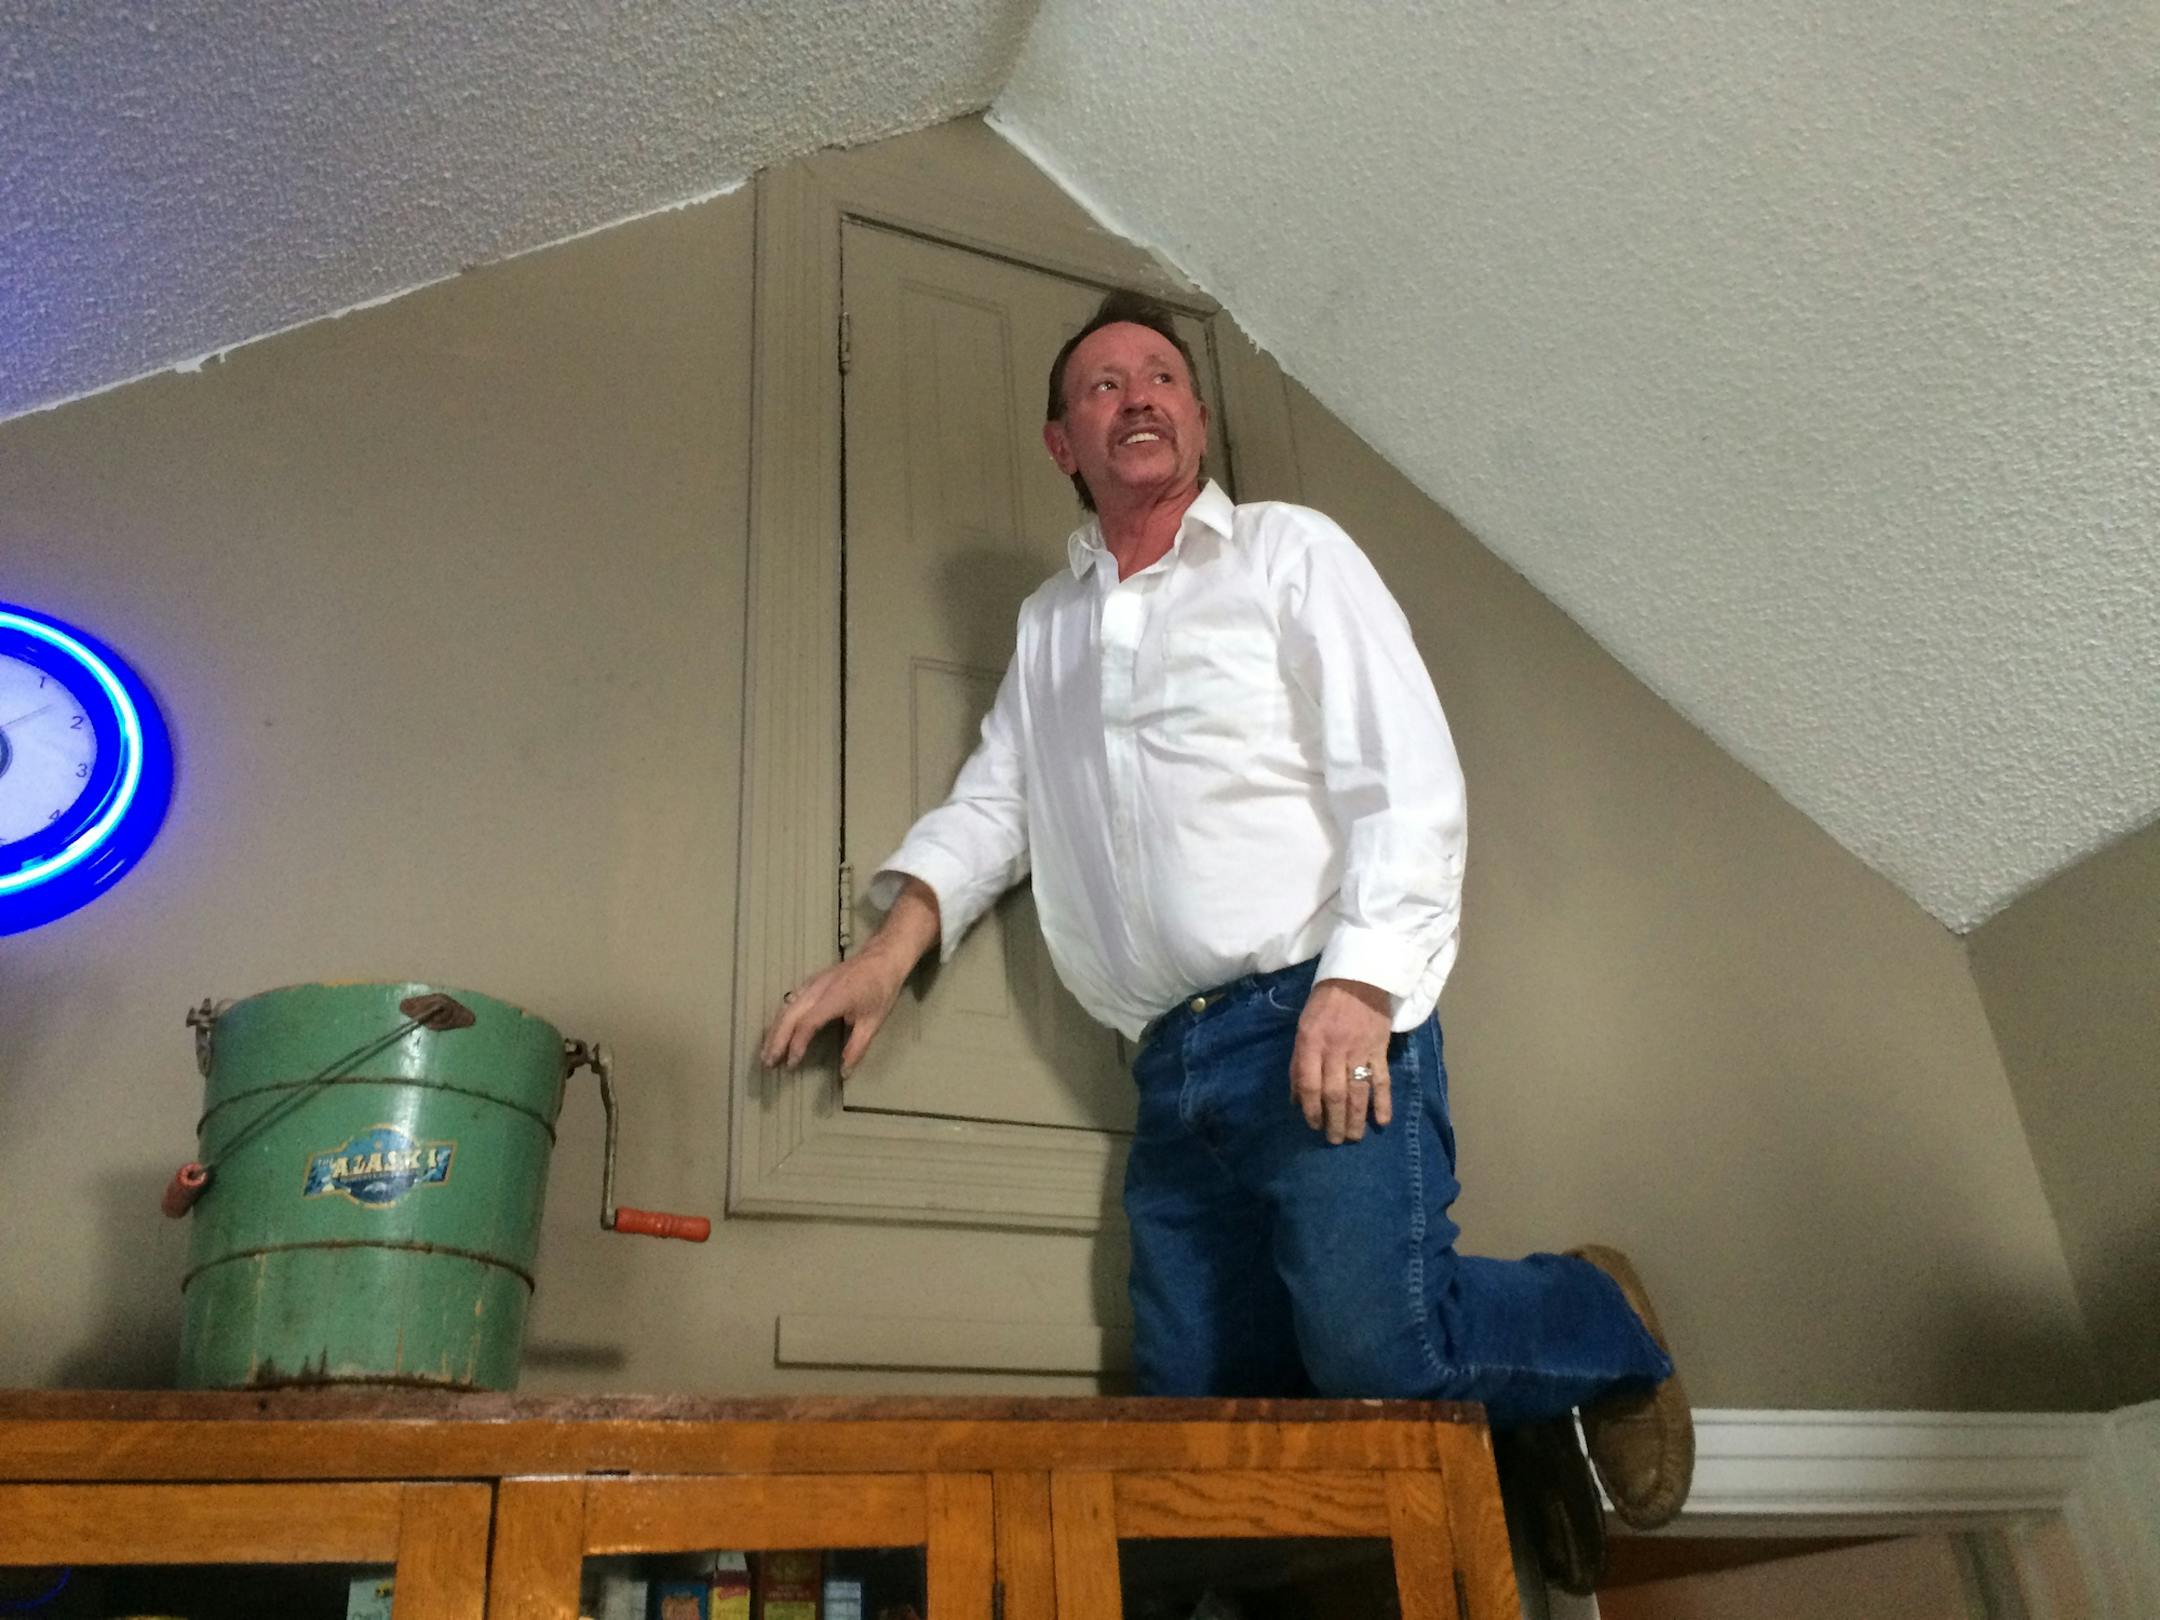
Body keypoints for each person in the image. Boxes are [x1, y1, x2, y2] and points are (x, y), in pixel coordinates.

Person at [761, 290, 1693, 1574]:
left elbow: (1404, 773)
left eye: (1161, 376)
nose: (1138, 395)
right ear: (1062, 445)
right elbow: (999, 805)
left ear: (1195, 416)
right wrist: (883, 956)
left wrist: (1363, 986)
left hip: (1315, 1013)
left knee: (1379, 1359)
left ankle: (1600, 1325)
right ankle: (1507, 1431)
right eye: (1103, 386)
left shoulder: (1288, 552)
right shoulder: (1049, 628)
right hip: (1166, 1068)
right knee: (1194, 1442)